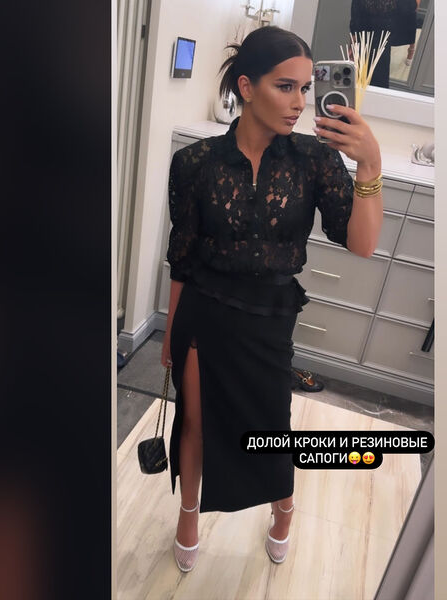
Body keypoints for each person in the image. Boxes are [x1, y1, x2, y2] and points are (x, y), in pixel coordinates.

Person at [162, 25, 383, 573]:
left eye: (305, 88)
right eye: (286, 87)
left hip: (269, 319)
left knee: (271, 428)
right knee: (196, 421)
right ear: (247, 86)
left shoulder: (314, 159)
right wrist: (170, 334)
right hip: (206, 311)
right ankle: (188, 514)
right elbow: (182, 257)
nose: (300, 102)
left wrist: (370, 166)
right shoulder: (195, 163)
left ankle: (283, 507)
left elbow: (361, 244)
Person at [350, 0, 419, 87]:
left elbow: (355, 20)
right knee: (377, 77)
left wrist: (352, 44)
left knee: (360, 76)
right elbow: (411, 9)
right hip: (380, 37)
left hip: (368, 36)